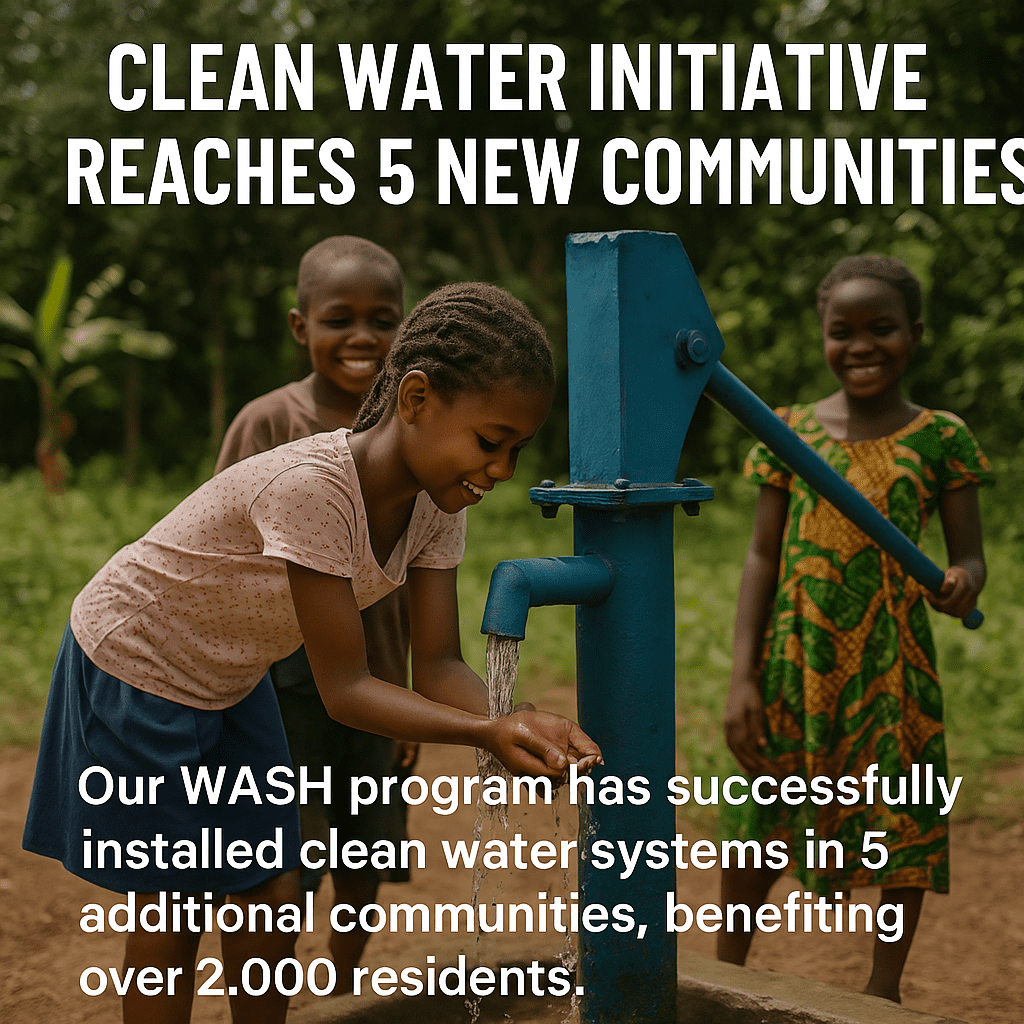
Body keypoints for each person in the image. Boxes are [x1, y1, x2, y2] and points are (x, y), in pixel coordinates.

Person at [23, 281, 601, 1024]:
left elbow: (439, 666)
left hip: (232, 675)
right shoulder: (314, 489)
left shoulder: (437, 500)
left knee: (269, 884)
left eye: (517, 448)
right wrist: (484, 732)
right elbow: (347, 688)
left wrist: (516, 716)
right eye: (491, 442)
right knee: (176, 900)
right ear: (416, 398)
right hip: (140, 656)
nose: (503, 470)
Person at [717, 255, 992, 1003]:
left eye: (882, 329)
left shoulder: (943, 438)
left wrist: (963, 577)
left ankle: (883, 987)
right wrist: (743, 676)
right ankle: (721, 973)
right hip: (794, 661)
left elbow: (968, 554)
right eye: (843, 331)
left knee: (901, 815)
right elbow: (762, 556)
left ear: (916, 335)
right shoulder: (789, 432)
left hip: (892, 667)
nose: (861, 345)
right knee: (759, 823)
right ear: (823, 336)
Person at [214, 235, 416, 989]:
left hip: (375, 676)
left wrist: (404, 704)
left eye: (383, 318)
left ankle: (339, 983)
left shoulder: (411, 426)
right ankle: (279, 987)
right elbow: (226, 551)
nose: (363, 337)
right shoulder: (266, 424)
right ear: (301, 327)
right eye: (340, 319)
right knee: (284, 851)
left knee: (366, 849)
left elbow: (407, 580)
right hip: (277, 680)